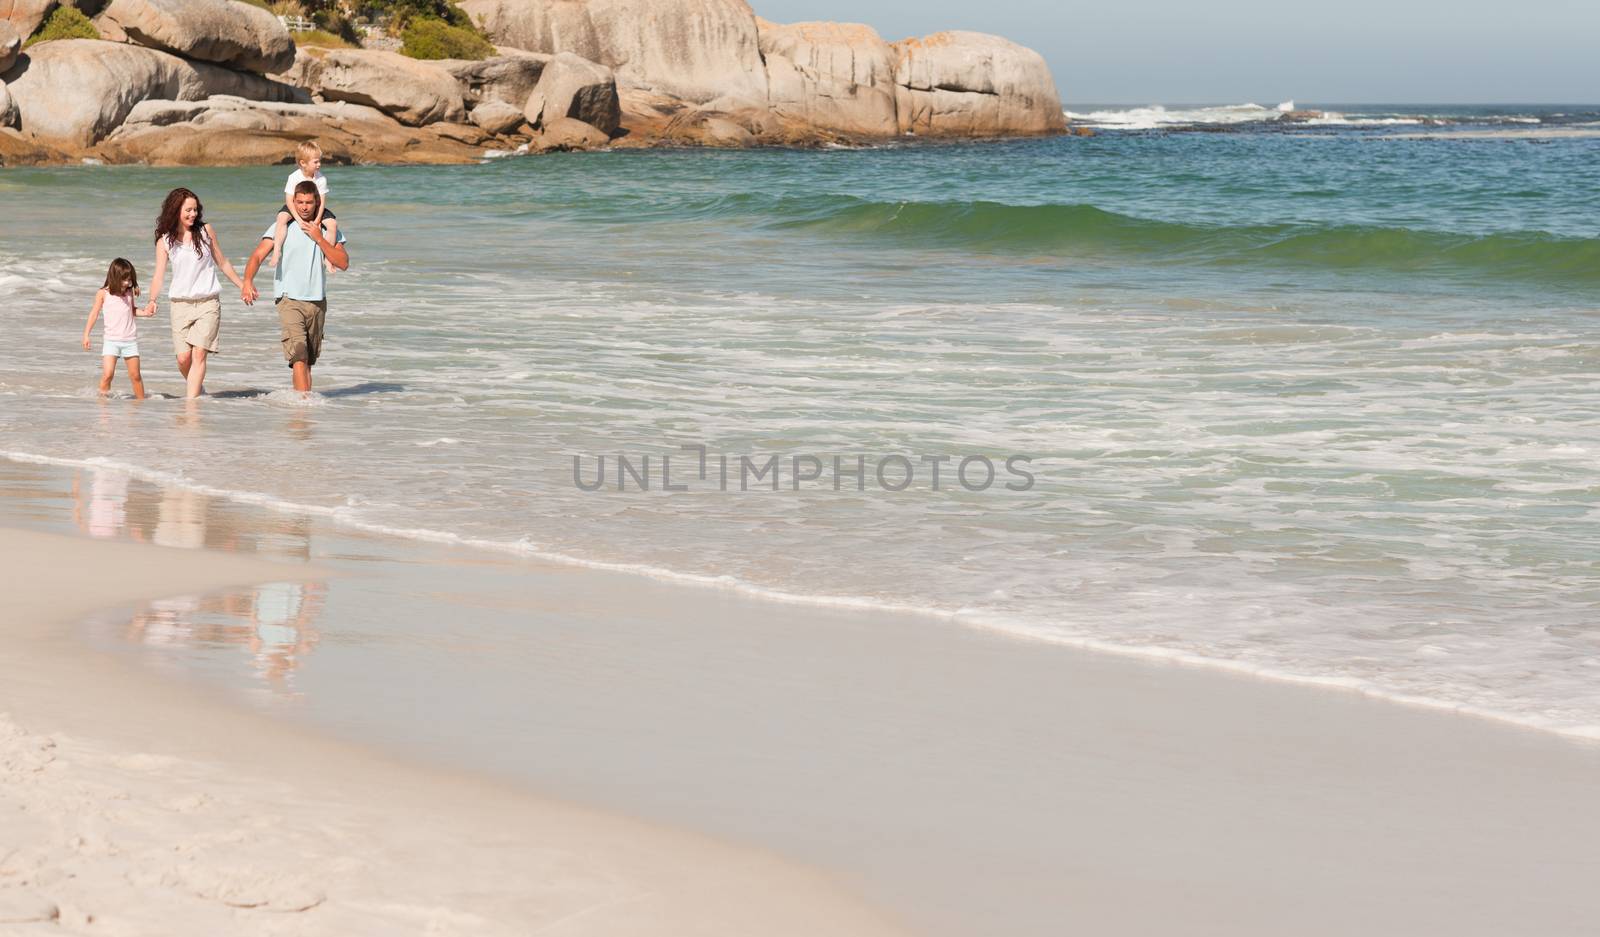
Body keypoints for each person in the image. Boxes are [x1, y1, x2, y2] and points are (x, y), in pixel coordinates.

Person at [242, 180, 350, 393]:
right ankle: (303, 405)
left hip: (317, 300)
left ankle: (303, 413)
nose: (304, 207)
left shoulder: (327, 229)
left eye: (309, 202)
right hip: (288, 298)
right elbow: (257, 255)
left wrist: (319, 238)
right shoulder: (283, 226)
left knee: (307, 361)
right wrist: (247, 281)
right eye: (299, 202)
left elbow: (343, 263)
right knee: (299, 355)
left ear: (317, 202)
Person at [142, 188, 251, 398]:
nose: (193, 214)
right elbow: (158, 275)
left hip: (207, 303)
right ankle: (197, 391)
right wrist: (152, 300)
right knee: (183, 360)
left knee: (199, 354)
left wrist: (242, 285)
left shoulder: (205, 231)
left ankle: (191, 406)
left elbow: (223, 262)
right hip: (180, 305)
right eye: (188, 210)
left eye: (195, 210)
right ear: (175, 211)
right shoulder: (165, 241)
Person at [81, 258, 154, 399]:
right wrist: (86, 335)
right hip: (111, 341)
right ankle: (103, 404)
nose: (128, 283)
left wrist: (145, 313)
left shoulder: (129, 292)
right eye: (125, 279)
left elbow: (131, 310)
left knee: (135, 376)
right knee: (108, 374)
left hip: (129, 340)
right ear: (115, 277)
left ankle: (140, 404)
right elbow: (94, 313)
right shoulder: (103, 293)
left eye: (130, 279)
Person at [270, 140, 337, 273]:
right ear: (303, 163)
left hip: (316, 206)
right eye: (316, 162)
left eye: (319, 161)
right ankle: (277, 251)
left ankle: (328, 258)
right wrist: (299, 220)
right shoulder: (294, 177)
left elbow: (322, 202)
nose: (319, 165)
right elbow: (289, 201)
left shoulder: (321, 179)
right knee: (281, 218)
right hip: (294, 206)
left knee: (332, 224)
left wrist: (317, 220)